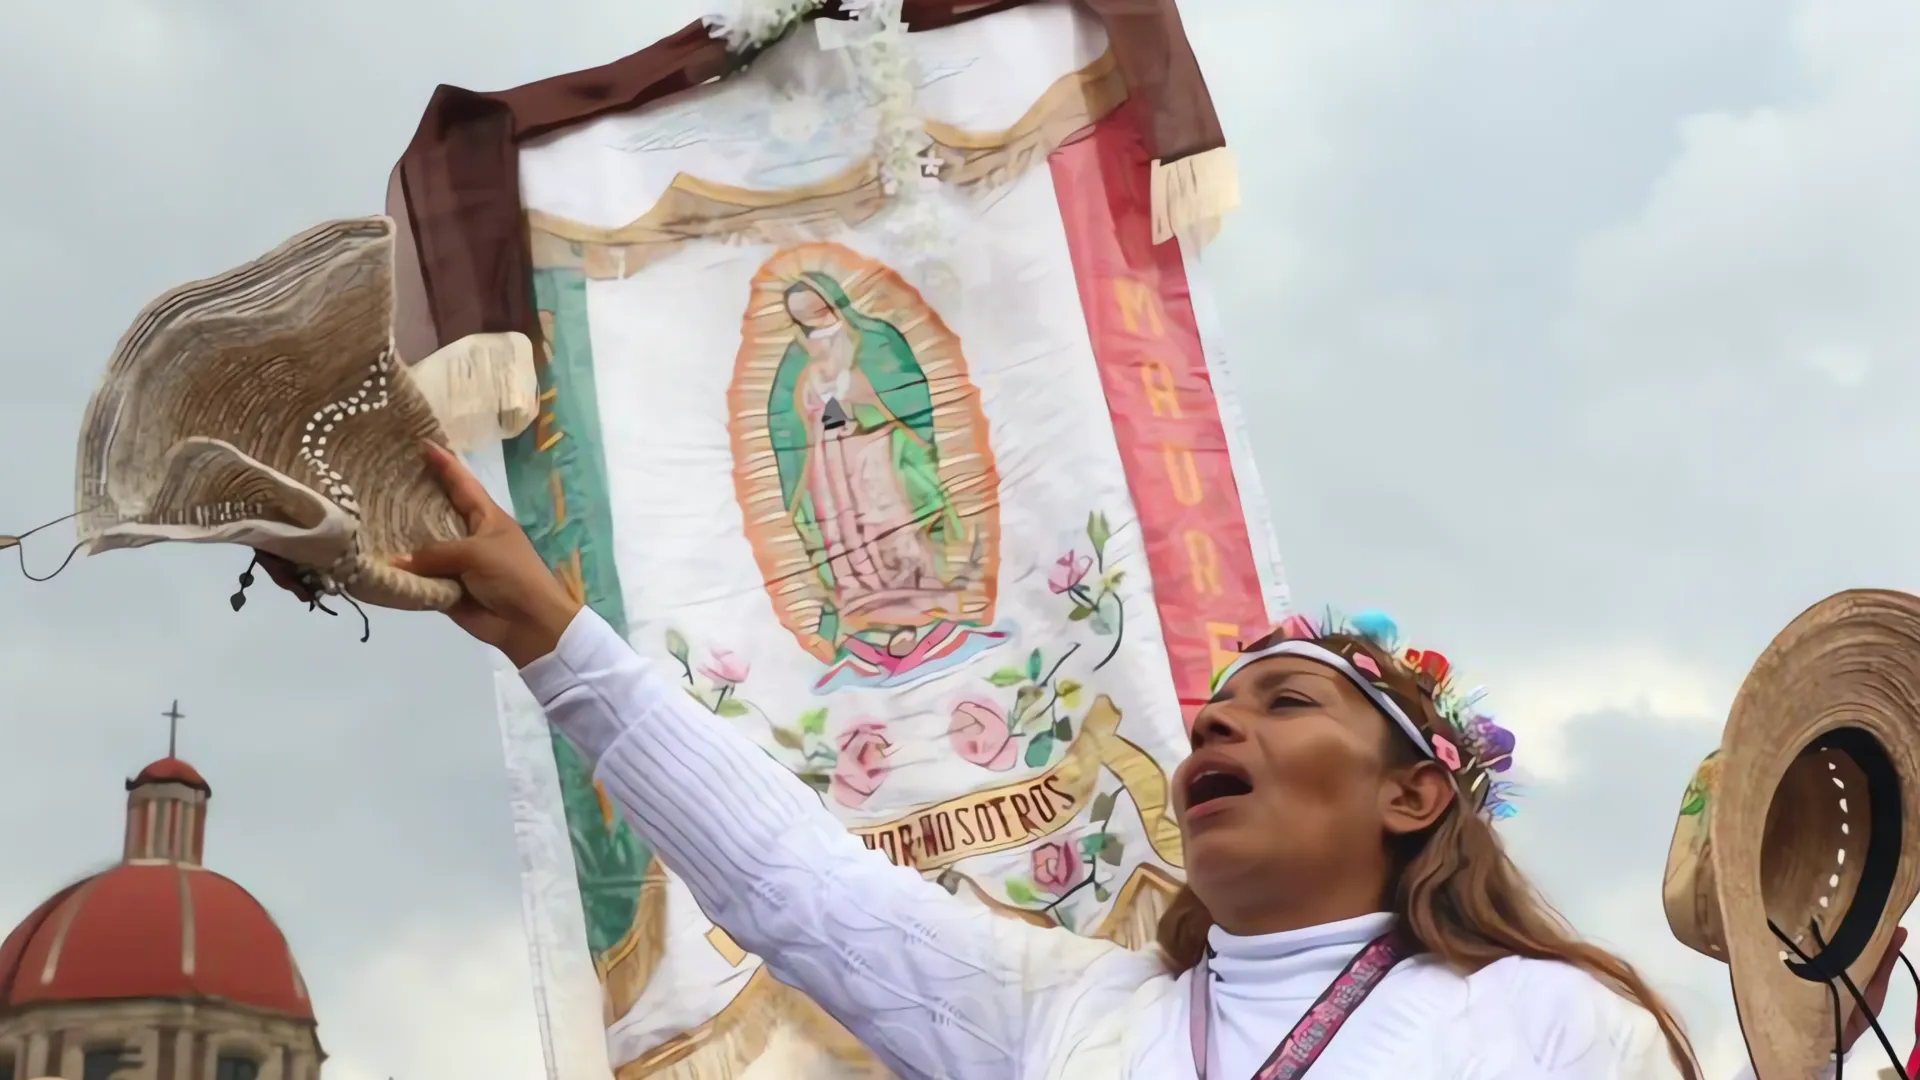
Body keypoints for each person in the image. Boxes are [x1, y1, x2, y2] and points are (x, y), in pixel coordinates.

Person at [270, 442, 1904, 1079]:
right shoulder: (1074, 1012)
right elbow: (793, 883)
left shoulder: (1557, 1025)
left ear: (1418, 795)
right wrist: (561, 639)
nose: (1212, 723)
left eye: (1281, 704)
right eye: (1210, 709)